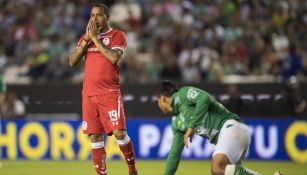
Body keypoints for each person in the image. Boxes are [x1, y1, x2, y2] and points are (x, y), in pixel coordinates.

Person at [156, 80, 283, 175]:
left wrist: (191, 126)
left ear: (162, 98)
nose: (158, 105)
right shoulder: (176, 122)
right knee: (223, 172)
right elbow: (174, 155)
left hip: (232, 128)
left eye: (157, 101)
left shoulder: (182, 94)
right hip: (231, 136)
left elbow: (204, 98)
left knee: (217, 168)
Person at [68, 3, 137, 175]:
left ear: (108, 17)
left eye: (99, 15)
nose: (94, 18)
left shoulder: (117, 35)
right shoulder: (86, 37)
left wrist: (96, 38)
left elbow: (114, 58)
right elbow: (72, 61)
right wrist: (86, 40)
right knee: (95, 138)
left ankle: (132, 169)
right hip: (89, 95)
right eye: (92, 16)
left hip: (109, 93)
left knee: (120, 133)